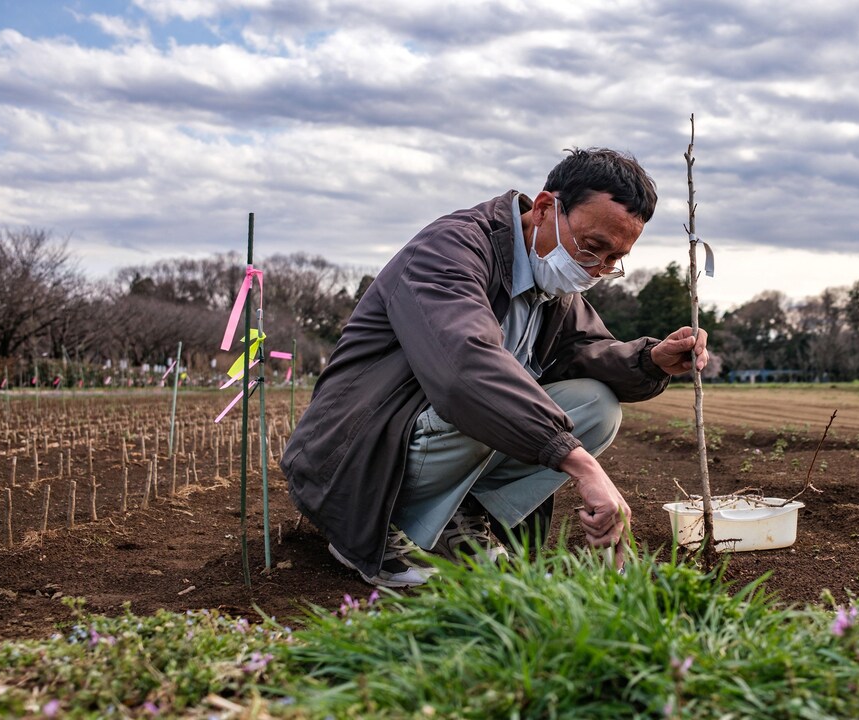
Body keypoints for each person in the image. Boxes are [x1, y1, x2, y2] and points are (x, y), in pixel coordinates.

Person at [281, 147, 709, 588]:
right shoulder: (450, 250)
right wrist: (582, 465)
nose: (596, 270)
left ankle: (455, 522)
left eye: (613, 260)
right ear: (544, 208)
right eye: (593, 247)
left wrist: (649, 359)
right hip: (357, 455)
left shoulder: (551, 282)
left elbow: (588, 351)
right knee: (488, 401)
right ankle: (373, 530)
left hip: (422, 438)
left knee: (596, 407)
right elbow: (466, 370)